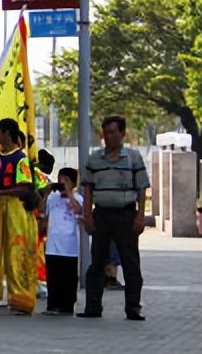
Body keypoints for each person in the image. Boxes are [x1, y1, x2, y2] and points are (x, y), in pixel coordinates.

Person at [79, 115, 150, 321]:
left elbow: (142, 188)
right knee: (97, 262)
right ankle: (92, 306)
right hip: (102, 214)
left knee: (130, 262)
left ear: (123, 133)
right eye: (106, 133)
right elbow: (88, 189)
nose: (110, 137)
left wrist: (140, 216)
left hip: (126, 214)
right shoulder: (94, 159)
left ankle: (133, 308)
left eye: (114, 132)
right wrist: (88, 215)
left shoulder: (133, 158)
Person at [0, 117, 40, 315]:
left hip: (14, 208)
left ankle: (21, 299)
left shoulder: (20, 159)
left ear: (6, 133)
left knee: (15, 251)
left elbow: (24, 188)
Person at [40, 167, 83, 315]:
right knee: (53, 276)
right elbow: (42, 213)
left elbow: (79, 211)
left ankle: (67, 306)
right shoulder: (53, 198)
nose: (61, 183)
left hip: (70, 246)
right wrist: (46, 194)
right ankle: (52, 305)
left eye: (65, 180)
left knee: (69, 277)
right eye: (60, 180)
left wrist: (69, 193)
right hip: (53, 244)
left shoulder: (78, 198)